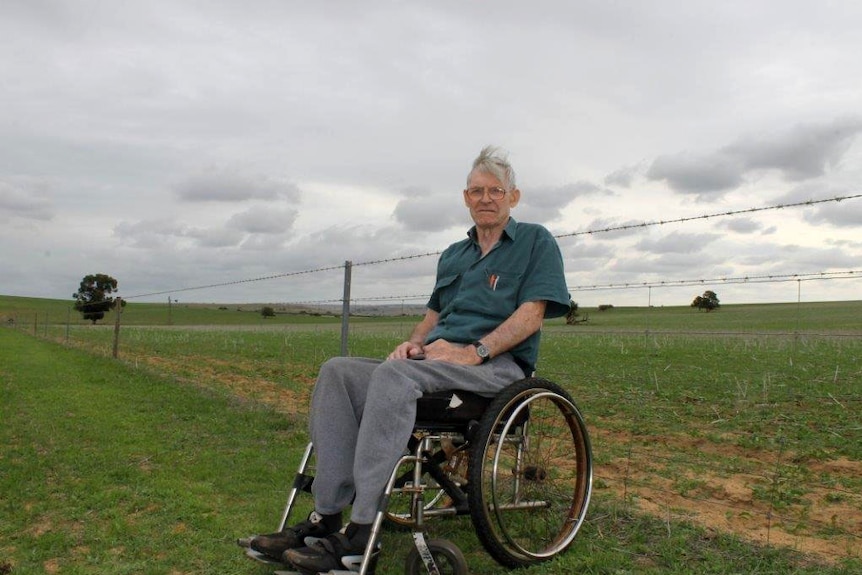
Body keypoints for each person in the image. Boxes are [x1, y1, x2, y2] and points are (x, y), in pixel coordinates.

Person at [250, 145, 571, 573]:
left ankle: (361, 534)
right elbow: (432, 317)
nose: (486, 198)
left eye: (496, 190)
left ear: (514, 197)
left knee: (396, 379)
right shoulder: (454, 254)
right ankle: (325, 517)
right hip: (434, 364)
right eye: (477, 191)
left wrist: (473, 352)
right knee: (337, 371)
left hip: (496, 369)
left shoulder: (535, 241)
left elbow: (532, 315)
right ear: (465, 198)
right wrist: (411, 345)